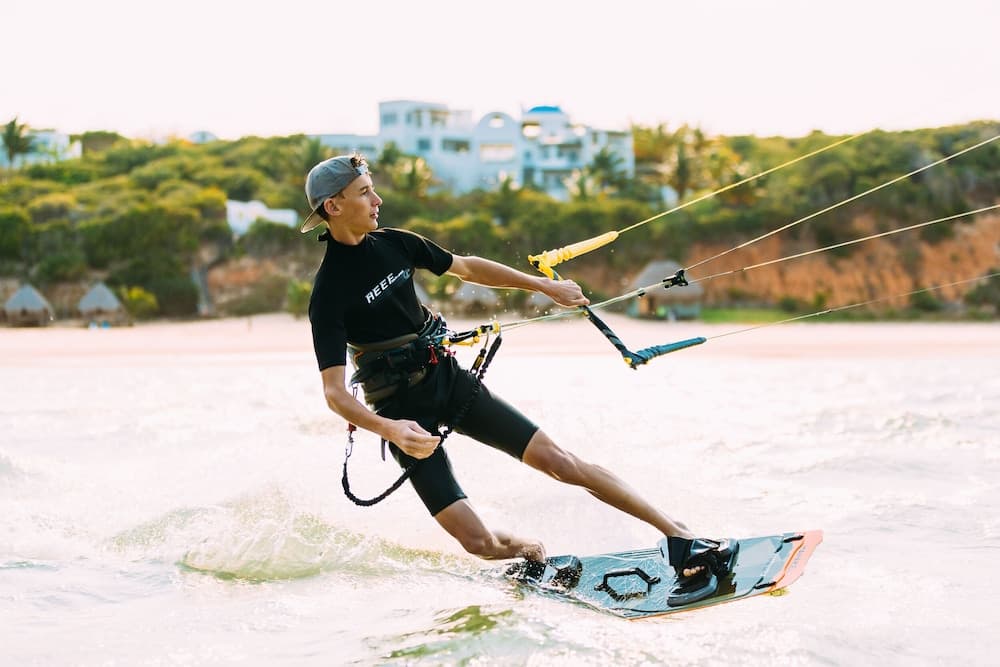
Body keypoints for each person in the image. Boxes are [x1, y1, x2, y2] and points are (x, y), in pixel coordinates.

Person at [303, 154, 734, 595]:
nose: (377, 200)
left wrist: (545, 286)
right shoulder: (329, 292)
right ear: (333, 206)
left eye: (373, 189)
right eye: (364, 192)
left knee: (560, 463)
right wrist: (390, 429)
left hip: (449, 382)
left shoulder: (395, 243)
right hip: (403, 418)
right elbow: (334, 392)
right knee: (479, 543)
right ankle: (530, 551)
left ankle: (679, 534)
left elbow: (468, 267)